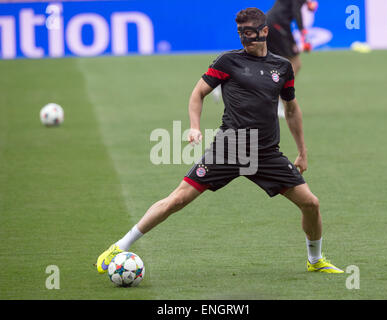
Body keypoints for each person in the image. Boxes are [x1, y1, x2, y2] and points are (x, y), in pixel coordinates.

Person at [96, 7, 343, 275]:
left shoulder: (281, 67)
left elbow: (292, 109)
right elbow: (197, 93)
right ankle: (119, 247)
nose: (244, 38)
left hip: (266, 153)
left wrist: (302, 152)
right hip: (229, 149)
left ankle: (315, 259)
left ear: (264, 32)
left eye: (249, 32)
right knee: (177, 199)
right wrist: (194, 127)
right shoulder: (228, 62)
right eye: (240, 33)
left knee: (311, 203)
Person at [266, 0, 318, 117]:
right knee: (294, 62)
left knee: (277, 63)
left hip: (272, 23)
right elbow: (296, 10)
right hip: (278, 24)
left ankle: (274, 95)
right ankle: (277, 96)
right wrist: (303, 33)